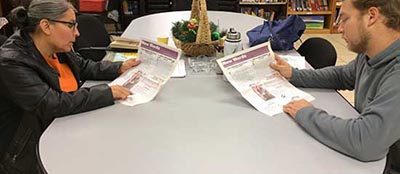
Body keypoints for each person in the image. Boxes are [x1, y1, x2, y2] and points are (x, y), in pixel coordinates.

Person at [0, 0, 141, 173]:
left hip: (68, 127)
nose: (77, 33)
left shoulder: (55, 46)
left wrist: (119, 67)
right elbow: (51, 104)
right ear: (46, 26)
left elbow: (83, 67)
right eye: (71, 25)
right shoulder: (11, 61)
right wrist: (107, 93)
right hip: (31, 151)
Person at [270, 0, 400, 173]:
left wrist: (305, 112)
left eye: (344, 19)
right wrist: (294, 74)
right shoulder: (372, 53)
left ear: (372, 16)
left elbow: (366, 141)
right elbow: (343, 75)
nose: (339, 29)